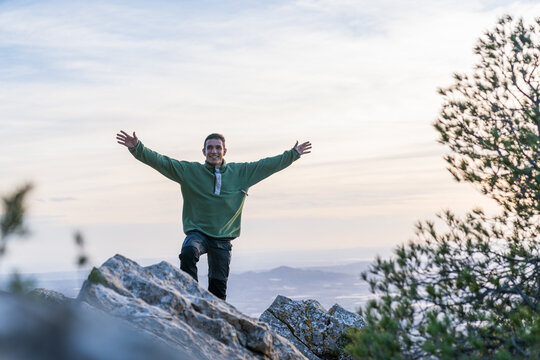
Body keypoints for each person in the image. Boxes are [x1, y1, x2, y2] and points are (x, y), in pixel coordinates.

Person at [116, 130, 312, 300]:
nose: (214, 151)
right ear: (203, 151)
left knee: (218, 292)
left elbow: (268, 165)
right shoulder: (189, 172)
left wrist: (293, 154)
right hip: (198, 234)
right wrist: (137, 148)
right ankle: (191, 298)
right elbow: (162, 162)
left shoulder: (242, 173)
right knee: (188, 253)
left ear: (224, 151)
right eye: (210, 148)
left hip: (223, 240)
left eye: (218, 148)